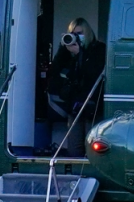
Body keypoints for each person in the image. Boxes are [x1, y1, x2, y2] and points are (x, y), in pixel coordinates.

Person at [45, 17, 106, 152]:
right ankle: (73, 169)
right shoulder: (69, 52)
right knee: (74, 145)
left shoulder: (99, 49)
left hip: (92, 103)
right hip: (74, 104)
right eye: (73, 34)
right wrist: (63, 48)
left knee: (92, 144)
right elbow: (54, 70)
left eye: (80, 34)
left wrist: (80, 54)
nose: (77, 37)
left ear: (88, 33)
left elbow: (92, 73)